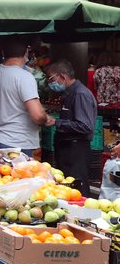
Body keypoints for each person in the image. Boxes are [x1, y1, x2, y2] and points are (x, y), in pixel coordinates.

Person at [0, 40, 49, 156]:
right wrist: (46, 118)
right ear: (26, 53)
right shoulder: (25, 77)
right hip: (17, 143)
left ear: (4, 52)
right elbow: (38, 116)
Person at [46, 60, 98, 197]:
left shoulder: (80, 94)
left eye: (51, 78)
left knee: (77, 189)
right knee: (67, 189)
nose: (50, 83)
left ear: (62, 76)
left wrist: (57, 122)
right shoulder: (70, 94)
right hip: (67, 149)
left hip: (76, 150)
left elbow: (85, 126)